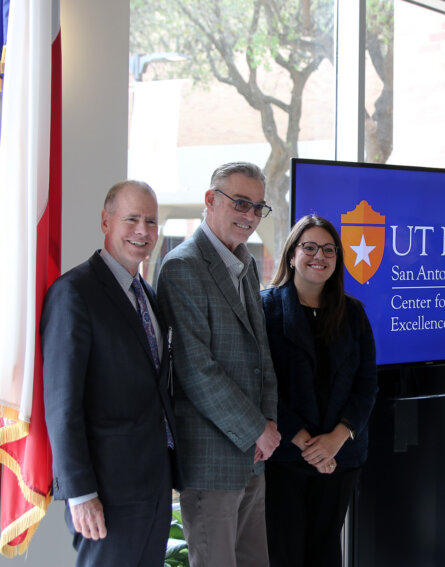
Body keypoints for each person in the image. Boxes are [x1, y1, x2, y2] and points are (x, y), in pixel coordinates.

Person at [41, 180, 181, 567]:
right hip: (106, 489)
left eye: (151, 222)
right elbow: (61, 401)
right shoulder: (75, 292)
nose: (143, 231)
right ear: (106, 221)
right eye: (131, 218)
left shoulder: (148, 296)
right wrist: (80, 492)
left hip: (154, 484)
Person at [156, 162, 281, 567]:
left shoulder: (243, 266)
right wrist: (256, 430)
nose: (249, 216)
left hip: (254, 457)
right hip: (211, 462)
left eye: (258, 208)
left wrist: (269, 425)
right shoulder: (182, 267)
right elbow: (196, 370)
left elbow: (262, 356)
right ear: (211, 200)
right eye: (240, 203)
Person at [261, 215, 378, 567]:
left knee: (326, 552)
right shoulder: (265, 309)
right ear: (292, 254)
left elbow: (366, 383)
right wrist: (306, 443)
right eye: (309, 247)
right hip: (285, 458)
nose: (319, 256)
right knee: (286, 553)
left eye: (328, 249)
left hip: (340, 457)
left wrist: (335, 441)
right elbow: (261, 383)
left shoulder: (354, 313)